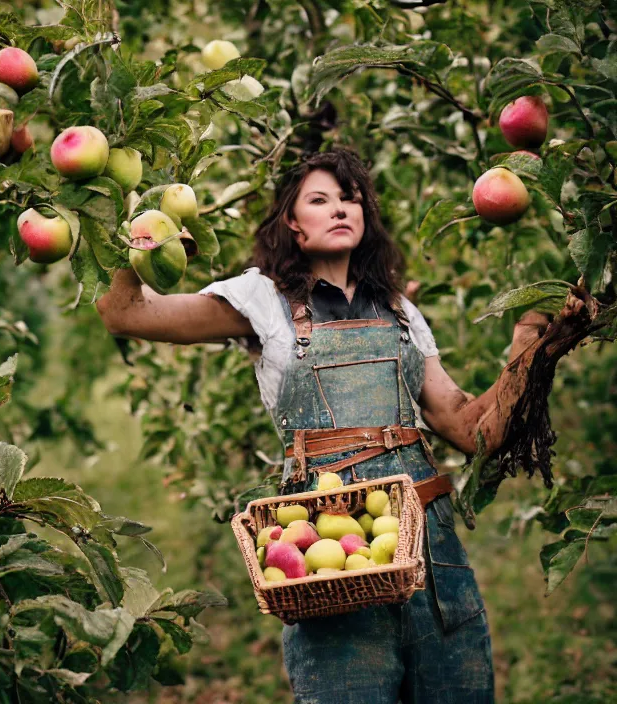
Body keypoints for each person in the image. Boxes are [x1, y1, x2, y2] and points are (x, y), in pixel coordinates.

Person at [96, 149, 550, 703]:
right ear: (292, 222)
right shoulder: (262, 299)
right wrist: (137, 236)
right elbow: (128, 313)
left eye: (349, 199)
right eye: (319, 200)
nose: (339, 209)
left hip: (432, 556)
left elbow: (472, 429)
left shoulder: (402, 312)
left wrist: (533, 341)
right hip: (327, 562)